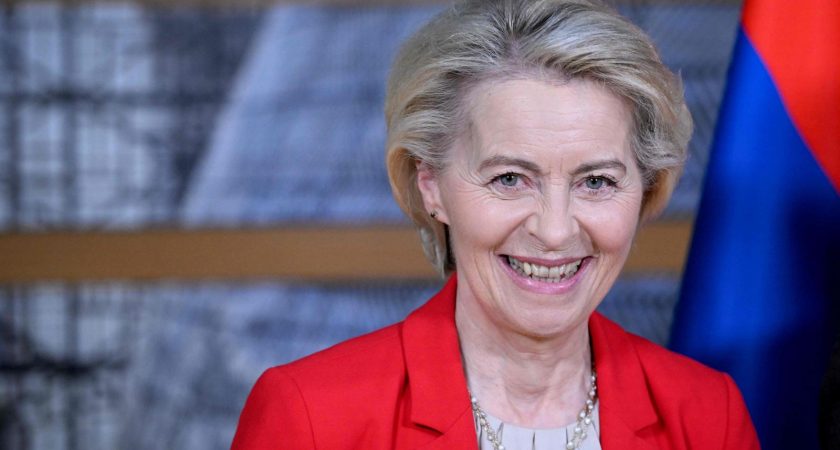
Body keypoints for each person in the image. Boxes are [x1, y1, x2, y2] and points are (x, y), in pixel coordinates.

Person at [231, 1, 761, 448]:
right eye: (510, 178)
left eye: (596, 181)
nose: (555, 231)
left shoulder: (708, 415)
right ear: (431, 185)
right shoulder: (311, 416)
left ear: (644, 188)